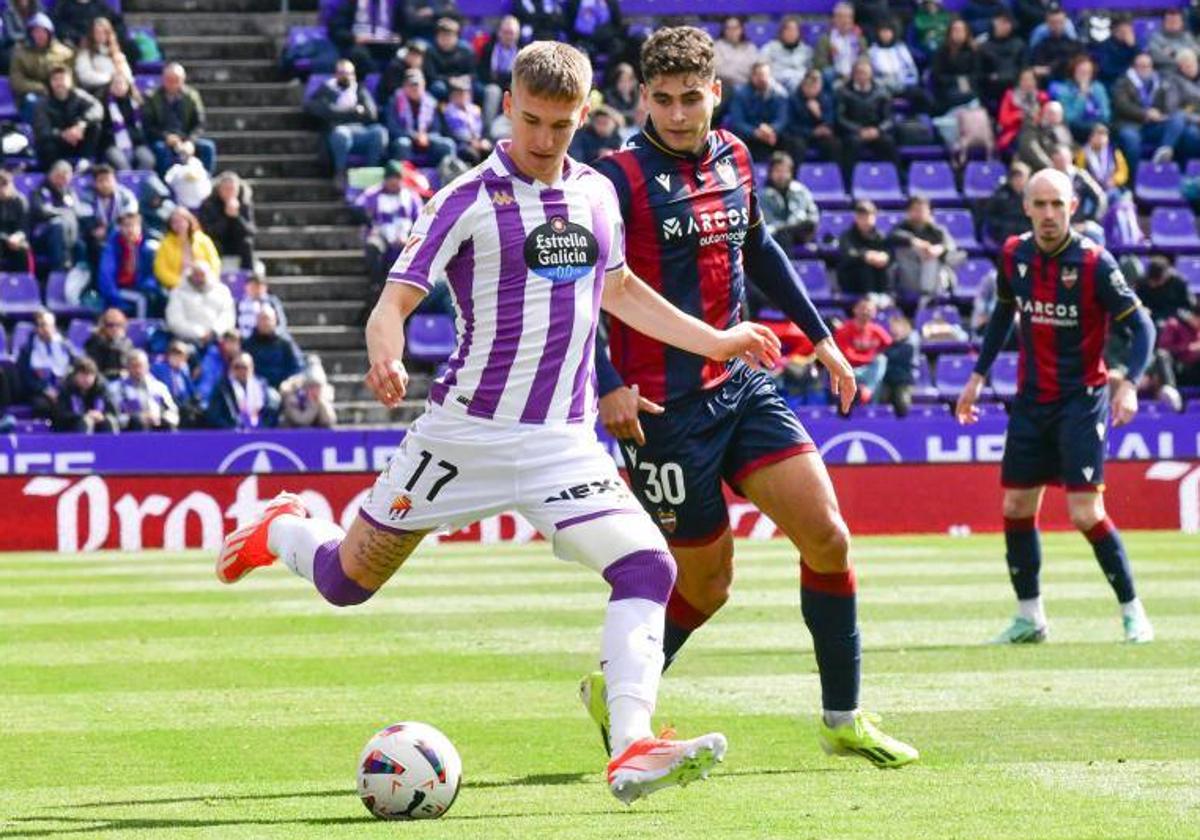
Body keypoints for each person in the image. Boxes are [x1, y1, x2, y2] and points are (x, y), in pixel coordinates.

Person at [218, 40, 781, 803]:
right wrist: (385, 357)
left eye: (560, 125)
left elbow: (619, 291)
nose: (544, 140)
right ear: (508, 108)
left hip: (563, 442)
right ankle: (280, 525)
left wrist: (718, 340)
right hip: (464, 436)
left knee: (648, 564)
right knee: (345, 583)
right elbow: (392, 304)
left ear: (585, 115)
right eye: (532, 121)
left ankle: (632, 745)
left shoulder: (595, 195)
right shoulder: (465, 200)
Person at [589, 26, 917, 768]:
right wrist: (608, 385)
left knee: (828, 535)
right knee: (707, 585)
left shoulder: (735, 157)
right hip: (662, 412)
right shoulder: (612, 181)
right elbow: (581, 295)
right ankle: (619, 691)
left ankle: (842, 719)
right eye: (663, 100)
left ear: (717, 93)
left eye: (691, 99)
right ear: (644, 97)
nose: (677, 114)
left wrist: (822, 336)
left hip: (740, 386)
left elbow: (758, 247)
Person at [956, 168, 1157, 645]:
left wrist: (1127, 384)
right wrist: (977, 377)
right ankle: (1030, 618)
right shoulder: (1013, 254)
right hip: (1031, 401)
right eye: (1040, 204)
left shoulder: (1095, 263)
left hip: (1081, 400)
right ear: (1026, 208)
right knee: (1016, 505)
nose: (1049, 214)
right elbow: (1004, 313)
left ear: (1072, 208)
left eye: (1057, 204)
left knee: (1085, 512)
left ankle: (1133, 611)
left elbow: (1142, 328)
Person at [353, 159, 423, 312]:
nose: (393, 182)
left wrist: (409, 237)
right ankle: (375, 283)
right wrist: (369, 221)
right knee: (373, 245)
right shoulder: (373, 193)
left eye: (396, 178)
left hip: (405, 237)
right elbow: (358, 207)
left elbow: (420, 220)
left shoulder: (411, 196)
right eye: (390, 178)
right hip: (381, 234)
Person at [306, 59, 388, 187]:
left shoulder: (359, 90)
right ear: (336, 74)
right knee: (341, 134)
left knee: (379, 132)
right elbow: (314, 108)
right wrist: (351, 112)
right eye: (342, 72)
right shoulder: (327, 89)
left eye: (349, 73)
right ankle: (340, 173)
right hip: (338, 133)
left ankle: (369, 174)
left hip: (361, 132)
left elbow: (372, 114)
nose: (346, 76)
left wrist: (336, 112)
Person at [1112, 52, 1189, 166]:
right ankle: (1132, 181)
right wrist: (1146, 114)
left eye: (1148, 66)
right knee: (1131, 139)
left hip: (1152, 125)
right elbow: (1122, 106)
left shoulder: (1158, 82)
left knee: (1179, 117)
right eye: (1141, 66)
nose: (1145, 69)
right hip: (1130, 124)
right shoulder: (1123, 83)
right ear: (1134, 67)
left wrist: (1161, 112)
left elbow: (1166, 107)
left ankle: (1163, 151)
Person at [143, 63, 216, 176]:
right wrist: (166, 137)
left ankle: (205, 183)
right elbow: (147, 125)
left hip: (186, 138)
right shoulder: (152, 97)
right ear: (163, 79)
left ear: (183, 80)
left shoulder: (191, 96)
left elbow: (200, 123)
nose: (172, 83)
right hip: (163, 138)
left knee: (208, 147)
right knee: (161, 149)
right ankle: (166, 186)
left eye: (176, 80)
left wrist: (190, 141)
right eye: (169, 79)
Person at [886, 194, 958, 308]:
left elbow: (951, 246)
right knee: (904, 250)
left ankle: (927, 297)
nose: (919, 213)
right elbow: (891, 237)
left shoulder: (936, 230)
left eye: (923, 210)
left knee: (932, 256)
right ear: (908, 212)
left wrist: (939, 249)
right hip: (908, 277)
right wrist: (914, 242)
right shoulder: (901, 227)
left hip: (934, 279)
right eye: (915, 210)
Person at [835, 58, 897, 176]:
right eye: (859, 73)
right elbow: (840, 118)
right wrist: (858, 130)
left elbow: (889, 118)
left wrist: (878, 130)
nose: (862, 76)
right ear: (853, 74)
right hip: (853, 132)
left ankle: (893, 179)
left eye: (865, 73)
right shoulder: (843, 92)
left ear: (871, 74)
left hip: (876, 131)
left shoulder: (881, 92)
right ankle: (848, 182)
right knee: (851, 144)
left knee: (888, 143)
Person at [32, 65, 102, 169]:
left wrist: (81, 124)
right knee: (46, 144)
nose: (59, 83)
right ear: (50, 82)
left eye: (63, 79)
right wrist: (63, 134)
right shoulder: (42, 103)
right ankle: (54, 170)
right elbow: (42, 131)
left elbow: (97, 108)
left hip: (78, 139)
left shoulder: (79, 95)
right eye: (55, 79)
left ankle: (84, 162)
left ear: (70, 80)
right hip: (56, 143)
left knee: (95, 126)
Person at [164, 249, 235, 347]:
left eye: (202, 275)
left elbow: (228, 316)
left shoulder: (222, 291)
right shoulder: (178, 293)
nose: (199, 278)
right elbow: (175, 320)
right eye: (196, 274)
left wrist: (214, 331)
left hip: (218, 339)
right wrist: (199, 333)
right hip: (188, 342)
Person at [97, 210, 161, 318]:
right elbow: (106, 275)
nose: (130, 230)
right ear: (120, 228)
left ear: (140, 228)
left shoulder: (148, 248)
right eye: (126, 226)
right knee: (141, 300)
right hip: (119, 289)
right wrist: (115, 297)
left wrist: (149, 286)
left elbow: (153, 274)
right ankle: (141, 330)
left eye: (134, 226)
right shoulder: (112, 248)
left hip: (140, 287)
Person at [385, 68, 456, 167]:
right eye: (411, 85)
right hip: (406, 138)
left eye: (417, 85)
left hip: (427, 140)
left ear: (423, 85)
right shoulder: (395, 101)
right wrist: (414, 136)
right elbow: (393, 128)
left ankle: (448, 178)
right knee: (403, 144)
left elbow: (436, 129)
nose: (415, 88)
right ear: (404, 86)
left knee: (447, 144)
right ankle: (405, 179)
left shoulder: (431, 103)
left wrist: (426, 138)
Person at [726, 61, 791, 162]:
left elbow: (782, 119)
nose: (762, 78)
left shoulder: (780, 94)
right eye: (758, 75)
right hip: (749, 135)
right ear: (751, 76)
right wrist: (756, 132)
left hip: (772, 135)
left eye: (765, 75)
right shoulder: (739, 94)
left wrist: (770, 130)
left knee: (792, 141)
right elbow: (738, 122)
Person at [18, 309, 77, 418]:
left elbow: (74, 369)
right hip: (39, 392)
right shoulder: (27, 350)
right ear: (36, 328)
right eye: (42, 326)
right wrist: (45, 390)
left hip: (63, 390)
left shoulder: (66, 347)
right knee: (42, 406)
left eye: (49, 325)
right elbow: (25, 377)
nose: (46, 329)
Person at [79, 162, 137, 272]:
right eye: (101, 181)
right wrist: (95, 229)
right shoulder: (87, 196)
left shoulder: (126, 195)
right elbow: (86, 218)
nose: (105, 184)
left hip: (120, 232)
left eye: (108, 180)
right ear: (95, 183)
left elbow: (129, 216)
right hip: (96, 235)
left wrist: (109, 229)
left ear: (115, 181)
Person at [834, 296, 891, 402]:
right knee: (876, 374)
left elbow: (890, 346)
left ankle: (867, 392)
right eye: (862, 308)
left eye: (869, 310)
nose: (865, 312)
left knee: (881, 361)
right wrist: (870, 359)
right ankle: (866, 393)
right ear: (855, 310)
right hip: (849, 371)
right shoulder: (844, 330)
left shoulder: (877, 330)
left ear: (874, 313)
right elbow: (847, 356)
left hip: (870, 371)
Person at [760, 151, 818, 253]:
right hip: (775, 236)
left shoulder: (800, 190)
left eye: (785, 171)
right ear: (770, 173)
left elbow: (813, 215)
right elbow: (768, 223)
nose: (782, 175)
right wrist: (787, 226)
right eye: (778, 171)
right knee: (783, 235)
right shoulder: (762, 195)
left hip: (799, 232)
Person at [30, 160, 81, 276]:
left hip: (70, 234)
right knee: (58, 225)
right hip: (42, 235)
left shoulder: (69, 192)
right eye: (60, 177)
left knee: (82, 243)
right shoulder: (38, 191)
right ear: (52, 175)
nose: (62, 181)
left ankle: (81, 274)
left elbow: (77, 211)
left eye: (66, 178)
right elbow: (40, 211)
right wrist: (62, 213)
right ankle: (59, 270)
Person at [153, 206, 220, 293]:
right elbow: (161, 270)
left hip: (205, 284)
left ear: (189, 221)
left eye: (181, 221)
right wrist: (180, 283)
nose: (179, 225)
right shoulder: (165, 244)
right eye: (174, 222)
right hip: (178, 287)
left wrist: (209, 279)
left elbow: (214, 262)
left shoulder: (203, 240)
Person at [198, 172, 256, 270]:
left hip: (237, 242)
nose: (229, 192)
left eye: (232, 189)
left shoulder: (244, 203)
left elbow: (250, 231)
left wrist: (236, 216)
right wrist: (225, 217)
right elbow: (207, 232)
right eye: (226, 189)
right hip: (218, 241)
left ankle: (248, 277)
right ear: (219, 189)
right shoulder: (208, 204)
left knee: (247, 243)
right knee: (213, 245)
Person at [108, 348, 178, 431]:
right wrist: (138, 418)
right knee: (137, 421)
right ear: (127, 367)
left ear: (147, 366)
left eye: (141, 366)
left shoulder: (159, 387)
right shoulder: (115, 388)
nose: (138, 370)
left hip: (156, 425)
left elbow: (172, 411)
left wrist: (160, 417)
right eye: (134, 366)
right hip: (130, 429)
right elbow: (115, 417)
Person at [9, 13, 74, 101]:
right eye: (36, 31)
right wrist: (40, 88)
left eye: (43, 31)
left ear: (49, 33)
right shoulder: (20, 55)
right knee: (32, 101)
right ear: (30, 34)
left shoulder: (65, 53)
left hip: (60, 90)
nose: (40, 35)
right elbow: (17, 81)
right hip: (34, 93)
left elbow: (72, 78)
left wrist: (60, 86)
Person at [205, 351, 278, 429]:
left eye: (244, 367)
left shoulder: (262, 385)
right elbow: (214, 414)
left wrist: (263, 427)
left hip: (259, 432)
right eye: (237, 367)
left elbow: (268, 412)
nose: (241, 371)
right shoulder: (223, 387)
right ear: (231, 368)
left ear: (252, 368)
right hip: (231, 433)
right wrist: (231, 429)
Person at [100, 72, 155, 172]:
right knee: (122, 165)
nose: (119, 86)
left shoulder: (137, 104)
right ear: (110, 86)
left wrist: (129, 134)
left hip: (136, 144)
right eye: (115, 84)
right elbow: (104, 130)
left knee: (148, 160)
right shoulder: (104, 104)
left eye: (121, 83)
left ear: (128, 86)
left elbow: (142, 130)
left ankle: (138, 185)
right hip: (113, 144)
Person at [836, 199, 890, 296]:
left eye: (869, 216)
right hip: (852, 281)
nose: (866, 221)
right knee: (864, 265)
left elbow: (887, 253)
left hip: (877, 280)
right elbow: (849, 255)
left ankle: (884, 294)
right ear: (856, 218)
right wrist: (865, 256)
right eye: (862, 217)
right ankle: (870, 295)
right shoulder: (847, 236)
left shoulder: (880, 236)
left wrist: (884, 256)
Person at [1051, 55, 1110, 144]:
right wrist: (1082, 96)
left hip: (1098, 124)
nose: (1084, 75)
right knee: (1095, 131)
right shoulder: (1065, 90)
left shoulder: (1098, 87)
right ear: (1074, 71)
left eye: (1088, 72)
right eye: (1081, 72)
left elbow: (1106, 114)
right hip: (1076, 127)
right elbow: (1069, 118)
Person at [52, 355, 117, 433]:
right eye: (83, 375)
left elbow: (114, 411)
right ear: (75, 376)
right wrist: (84, 416)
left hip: (98, 424)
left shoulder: (102, 389)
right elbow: (61, 415)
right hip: (72, 427)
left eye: (90, 375)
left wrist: (100, 415)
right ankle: (83, 445)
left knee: (110, 421)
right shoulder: (66, 389)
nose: (86, 379)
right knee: (86, 421)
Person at [244, 307, 304, 388]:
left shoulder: (285, 343)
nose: (265, 323)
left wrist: (289, 382)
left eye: (268, 319)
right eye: (262, 319)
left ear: (275, 321)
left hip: (283, 387)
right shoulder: (248, 344)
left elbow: (297, 367)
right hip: (255, 387)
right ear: (256, 321)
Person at [72, 15, 131, 97]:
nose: (101, 35)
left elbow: (127, 75)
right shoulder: (85, 54)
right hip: (96, 92)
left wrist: (122, 82)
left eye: (104, 32)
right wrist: (110, 79)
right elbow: (85, 76)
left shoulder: (117, 54)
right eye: (97, 32)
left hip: (120, 89)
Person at [479, 15, 521, 128]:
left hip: (513, 87)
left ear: (517, 35)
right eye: (505, 32)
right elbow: (483, 72)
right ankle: (487, 131)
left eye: (511, 33)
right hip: (492, 84)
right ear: (499, 33)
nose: (507, 36)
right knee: (493, 91)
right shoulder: (489, 48)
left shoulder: (523, 52)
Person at [979, 12, 1027, 110]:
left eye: (1008, 23)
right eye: (1002, 22)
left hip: (1015, 86)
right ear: (994, 23)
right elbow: (980, 72)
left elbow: (1024, 67)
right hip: (992, 88)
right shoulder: (984, 47)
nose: (1005, 26)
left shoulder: (1019, 44)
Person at [789, 69, 838, 163]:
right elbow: (790, 125)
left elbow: (830, 121)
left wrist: (819, 115)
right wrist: (811, 132)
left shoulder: (826, 98)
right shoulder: (794, 98)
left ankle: (829, 175)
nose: (813, 89)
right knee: (797, 145)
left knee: (834, 144)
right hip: (800, 134)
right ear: (803, 85)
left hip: (820, 135)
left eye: (816, 86)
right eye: (810, 86)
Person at [150, 339, 203, 427]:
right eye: (174, 354)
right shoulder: (158, 368)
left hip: (184, 404)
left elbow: (192, 391)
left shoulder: (183, 371)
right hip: (167, 404)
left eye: (180, 355)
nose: (177, 357)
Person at [422, 16, 477, 99]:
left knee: (479, 88)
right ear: (436, 37)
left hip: (463, 82)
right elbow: (431, 76)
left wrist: (466, 78)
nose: (445, 39)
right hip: (443, 84)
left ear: (456, 37)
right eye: (442, 35)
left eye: (449, 35)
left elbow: (473, 73)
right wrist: (449, 80)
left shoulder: (465, 51)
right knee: (437, 87)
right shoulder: (430, 52)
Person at [441, 77, 492, 165]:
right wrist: (470, 142)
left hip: (478, 141)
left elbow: (484, 129)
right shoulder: (448, 111)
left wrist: (483, 140)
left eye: (465, 93)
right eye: (459, 94)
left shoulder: (475, 109)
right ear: (453, 96)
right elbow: (449, 133)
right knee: (472, 155)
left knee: (490, 150)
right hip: (461, 144)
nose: (463, 96)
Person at [997, 67, 1048, 153]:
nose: (1027, 83)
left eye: (1030, 80)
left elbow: (1047, 120)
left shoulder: (1042, 97)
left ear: (1035, 82)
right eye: (1024, 80)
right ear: (1019, 82)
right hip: (1015, 135)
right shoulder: (1010, 96)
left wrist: (1037, 117)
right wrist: (1019, 115)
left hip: (1038, 133)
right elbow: (1003, 120)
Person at [983, 160, 1033, 246]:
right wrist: (1003, 228)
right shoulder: (1000, 196)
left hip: (1026, 236)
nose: (1019, 180)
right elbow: (991, 217)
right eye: (1015, 177)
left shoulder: (1032, 196)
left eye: (1021, 177)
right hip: (1005, 236)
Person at [814, 2, 866, 82]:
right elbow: (820, 62)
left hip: (856, 75)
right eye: (841, 17)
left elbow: (865, 55)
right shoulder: (826, 39)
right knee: (827, 73)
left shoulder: (858, 38)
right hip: (835, 75)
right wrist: (839, 73)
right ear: (834, 19)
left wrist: (858, 68)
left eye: (849, 17)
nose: (845, 20)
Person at [878, 312, 917, 416]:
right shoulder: (886, 346)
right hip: (886, 381)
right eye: (893, 329)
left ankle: (904, 426)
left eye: (898, 329)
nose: (895, 331)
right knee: (881, 398)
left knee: (902, 401)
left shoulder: (909, 347)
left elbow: (893, 357)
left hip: (902, 382)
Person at [1139, 255, 1196, 326]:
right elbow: (1139, 303)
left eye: (1156, 281)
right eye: (1151, 280)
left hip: (1174, 319)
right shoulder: (1143, 283)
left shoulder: (1178, 282)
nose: (1153, 284)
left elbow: (1188, 306)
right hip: (1150, 318)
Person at [279, 361, 337, 428]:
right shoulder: (292, 396)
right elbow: (300, 421)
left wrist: (320, 404)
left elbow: (329, 421)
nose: (315, 390)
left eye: (318, 387)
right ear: (305, 387)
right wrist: (313, 407)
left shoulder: (322, 398)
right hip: (291, 432)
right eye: (312, 387)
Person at [761, 15, 811, 93]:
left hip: (800, 87)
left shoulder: (806, 50)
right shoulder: (770, 48)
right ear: (781, 32)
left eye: (795, 30)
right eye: (788, 30)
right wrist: (777, 88)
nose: (791, 33)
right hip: (777, 86)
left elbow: (810, 73)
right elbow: (763, 72)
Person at [1018, 100, 1071, 171]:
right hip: (1035, 169)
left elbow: (1068, 147)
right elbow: (1032, 150)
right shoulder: (1030, 129)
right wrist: (1051, 166)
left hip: (1056, 168)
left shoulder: (1060, 129)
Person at [713, 17, 761, 95]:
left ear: (741, 29)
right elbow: (720, 71)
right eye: (728, 28)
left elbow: (756, 68)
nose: (732, 31)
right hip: (726, 86)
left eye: (735, 28)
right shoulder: (717, 46)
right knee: (738, 91)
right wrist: (742, 75)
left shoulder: (750, 47)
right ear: (724, 30)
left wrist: (732, 67)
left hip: (748, 85)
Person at [83, 306, 133, 379]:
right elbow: (94, 370)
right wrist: (118, 374)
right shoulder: (94, 343)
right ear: (103, 326)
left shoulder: (127, 343)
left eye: (118, 325)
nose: (114, 328)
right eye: (110, 325)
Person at [236, 272, 289, 339]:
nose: (256, 290)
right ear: (246, 287)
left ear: (265, 288)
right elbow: (235, 325)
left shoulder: (272, 301)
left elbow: (282, 323)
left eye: (258, 287)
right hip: (245, 340)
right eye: (252, 287)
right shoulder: (239, 303)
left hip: (269, 339)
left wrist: (274, 334)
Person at [1149, 7, 1199, 74]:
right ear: (1163, 23)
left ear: (1182, 23)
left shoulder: (1187, 36)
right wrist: (1183, 59)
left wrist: (1174, 54)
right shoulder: (1155, 37)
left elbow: (1197, 52)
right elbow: (1155, 56)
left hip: (1190, 73)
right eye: (1169, 21)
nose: (1173, 23)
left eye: (1176, 21)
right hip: (1168, 73)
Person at [0, 171, 32, 274]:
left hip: (16, 239)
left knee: (23, 250)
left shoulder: (20, 201)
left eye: (5, 184)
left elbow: (24, 226)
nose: (2, 189)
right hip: (2, 238)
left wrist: (18, 236)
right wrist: (7, 239)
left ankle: (23, 282)